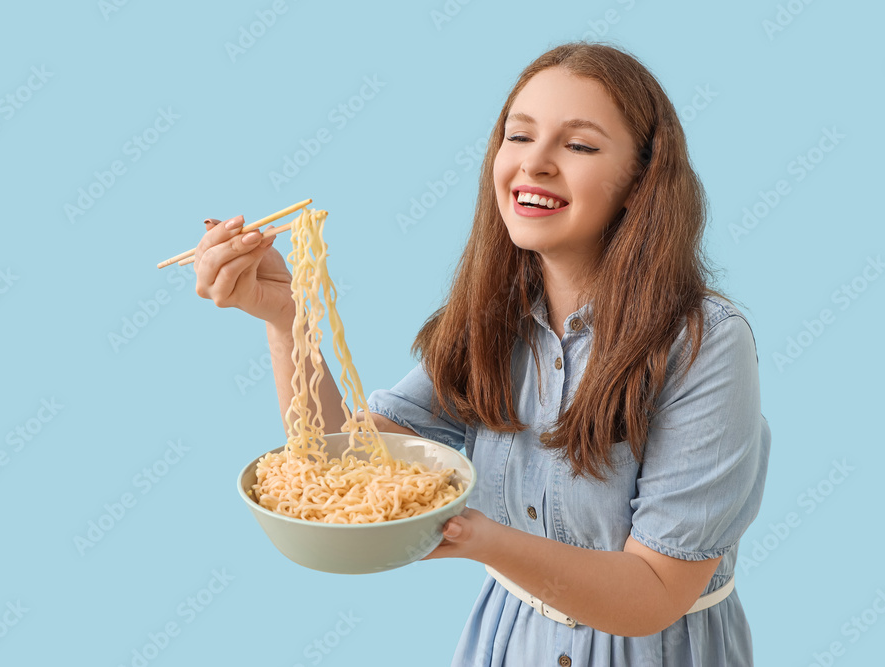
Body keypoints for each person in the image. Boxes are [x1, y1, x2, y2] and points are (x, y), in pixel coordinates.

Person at [193, 41, 771, 667]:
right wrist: (287, 319)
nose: (536, 164)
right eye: (518, 136)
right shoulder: (489, 321)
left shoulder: (705, 343)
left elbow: (654, 593)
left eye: (578, 145)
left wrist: (477, 536)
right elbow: (343, 460)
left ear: (640, 180)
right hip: (508, 643)